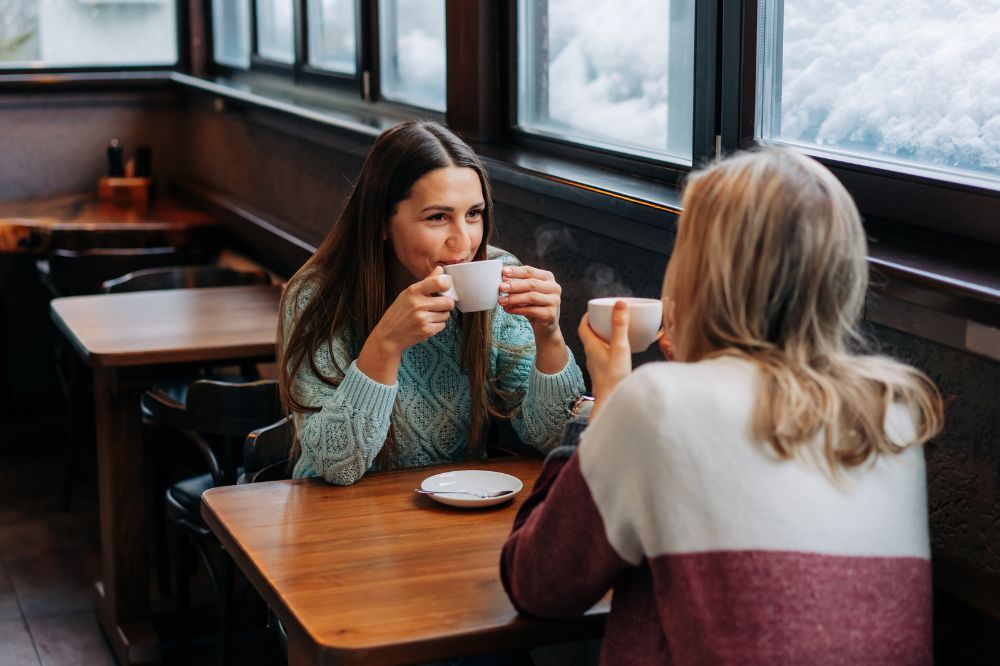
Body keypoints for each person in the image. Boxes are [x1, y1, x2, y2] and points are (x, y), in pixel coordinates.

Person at [500, 149, 944, 665]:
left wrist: (604, 408)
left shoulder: (657, 403)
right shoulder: (892, 410)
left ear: (700, 272)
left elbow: (537, 584)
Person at [277, 120, 584, 485]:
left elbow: (557, 439)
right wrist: (386, 343)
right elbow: (337, 466)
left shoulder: (498, 275)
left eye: (474, 214)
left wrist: (549, 335)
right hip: (334, 508)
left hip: (459, 501)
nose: (464, 242)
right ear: (381, 222)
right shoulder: (318, 296)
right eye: (438, 217)